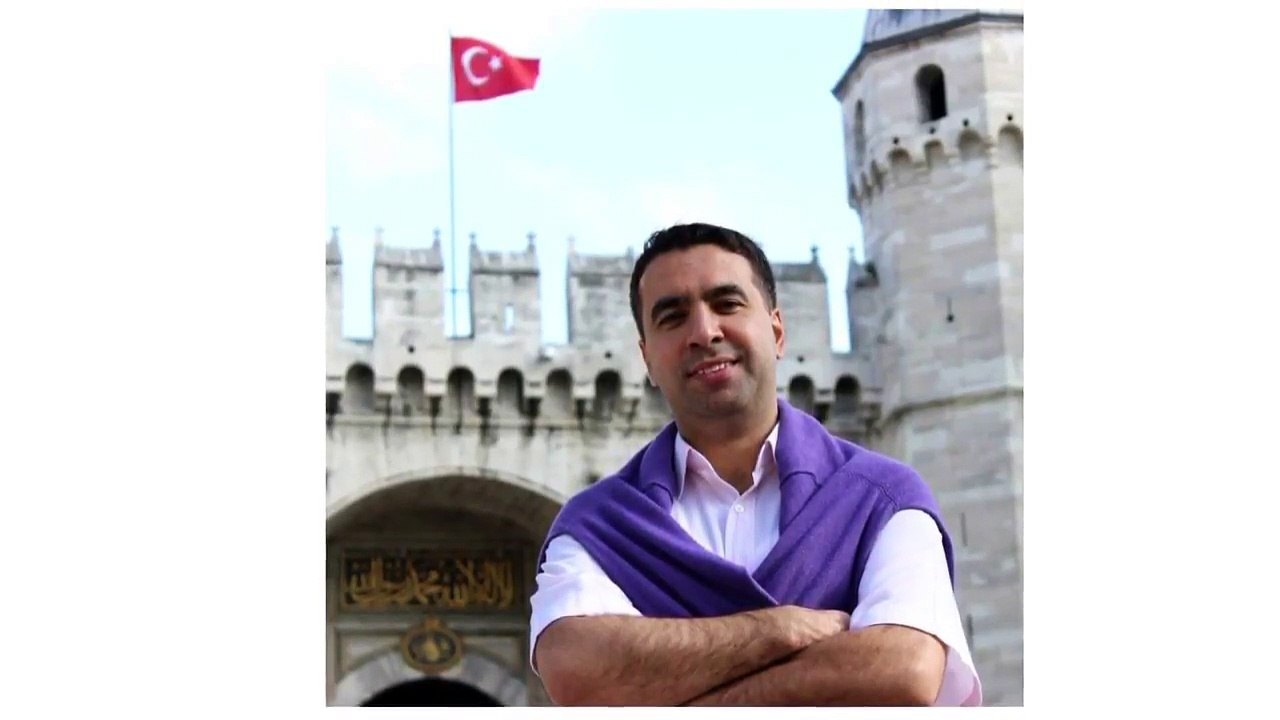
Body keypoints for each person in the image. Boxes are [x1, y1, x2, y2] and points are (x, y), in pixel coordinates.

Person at [527, 222, 982, 706]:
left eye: (727, 304)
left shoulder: (883, 499)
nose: (704, 332)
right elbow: (575, 670)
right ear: (648, 361)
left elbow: (905, 671)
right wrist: (782, 630)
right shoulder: (598, 527)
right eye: (673, 317)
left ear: (778, 331)